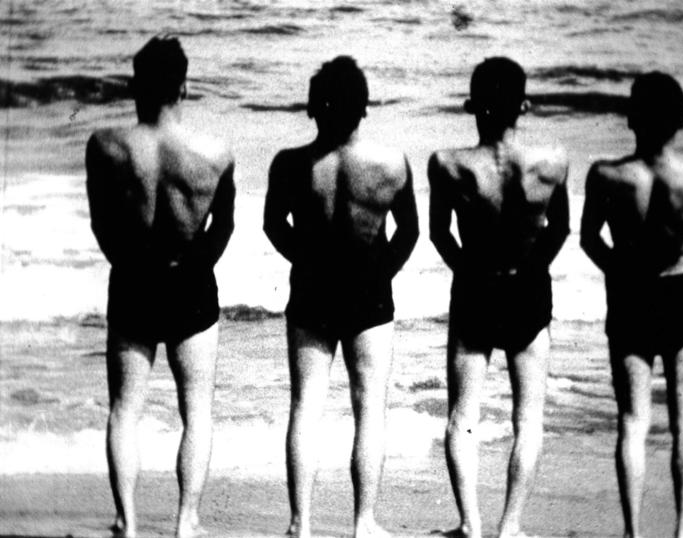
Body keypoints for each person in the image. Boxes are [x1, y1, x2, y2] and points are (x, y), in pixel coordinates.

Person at [85, 36, 235, 538]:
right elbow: (223, 227)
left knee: (125, 409)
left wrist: (126, 263)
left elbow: (101, 222)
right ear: (185, 87)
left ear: (135, 85)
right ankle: (186, 522)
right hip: (192, 282)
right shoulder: (215, 153)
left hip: (132, 279)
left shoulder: (105, 146)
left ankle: (127, 522)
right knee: (197, 411)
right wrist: (195, 268)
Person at [263, 56, 419, 538]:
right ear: (364, 108)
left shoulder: (291, 164)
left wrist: (304, 262)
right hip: (369, 293)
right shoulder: (391, 163)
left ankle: (300, 524)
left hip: (311, 289)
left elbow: (273, 226)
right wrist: (379, 274)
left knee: (306, 405)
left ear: (314, 108)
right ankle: (363, 523)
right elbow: (410, 232)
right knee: (370, 406)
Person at [580, 72, 683, 538]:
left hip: (630, 298)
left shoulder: (606, 175)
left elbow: (588, 240)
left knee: (632, 422)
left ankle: (632, 533)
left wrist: (619, 274)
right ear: (682, 120)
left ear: (631, 119)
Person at [428, 57, 570, 538]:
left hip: (475, 286)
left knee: (462, 416)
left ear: (472, 106)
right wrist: (532, 269)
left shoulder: (447, 164)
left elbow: (439, 234)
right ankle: (510, 528)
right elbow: (563, 228)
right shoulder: (552, 162)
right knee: (528, 418)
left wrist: (469, 271)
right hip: (529, 287)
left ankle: (470, 524)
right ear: (524, 106)